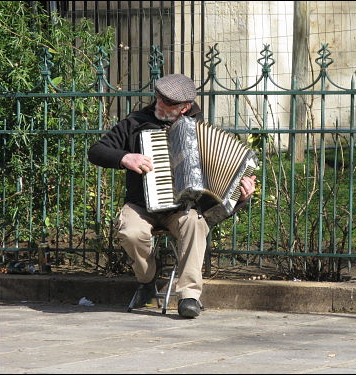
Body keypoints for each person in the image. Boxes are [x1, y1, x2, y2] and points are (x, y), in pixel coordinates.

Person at [88, 74, 256, 318]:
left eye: (167, 103)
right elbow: (96, 151)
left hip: (180, 209)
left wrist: (242, 193)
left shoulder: (199, 132)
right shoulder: (135, 123)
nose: (158, 104)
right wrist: (125, 158)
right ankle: (148, 279)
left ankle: (189, 296)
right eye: (158, 98)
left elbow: (220, 185)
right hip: (141, 206)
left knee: (195, 224)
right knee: (130, 232)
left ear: (184, 108)